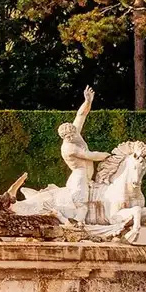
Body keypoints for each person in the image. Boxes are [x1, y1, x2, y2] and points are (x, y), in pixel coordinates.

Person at [56, 86, 110, 224]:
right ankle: (77, 225)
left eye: (73, 134)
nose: (72, 137)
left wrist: (88, 101)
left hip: (86, 177)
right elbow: (91, 156)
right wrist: (109, 155)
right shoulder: (69, 148)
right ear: (64, 137)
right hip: (79, 177)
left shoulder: (75, 134)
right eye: (68, 136)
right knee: (83, 205)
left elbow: (81, 115)